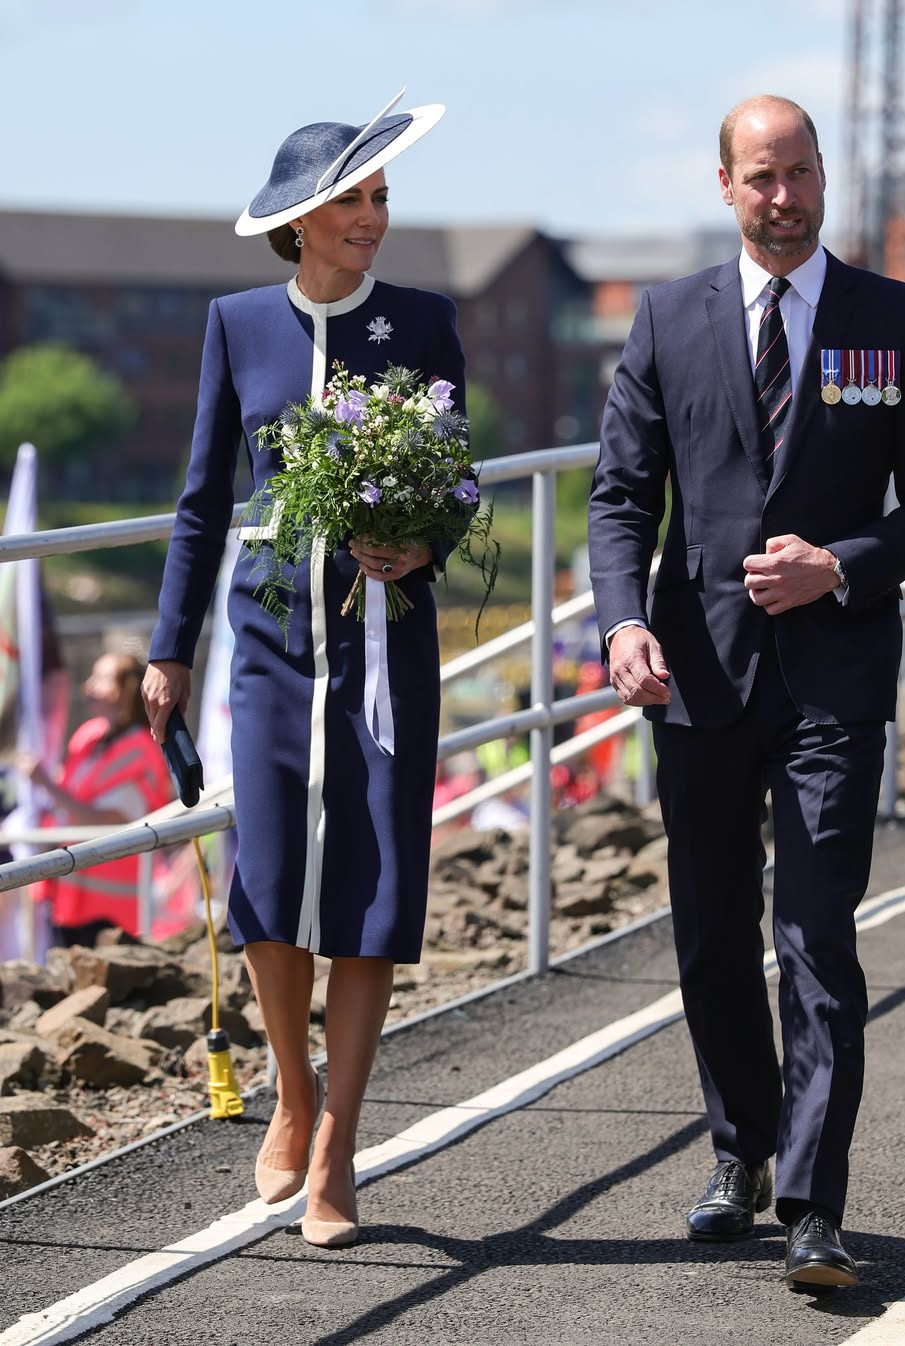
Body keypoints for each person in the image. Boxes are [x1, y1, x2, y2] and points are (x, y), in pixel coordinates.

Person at [587, 95, 905, 1291]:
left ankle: (814, 1204)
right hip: (697, 680)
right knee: (710, 937)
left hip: (833, 683)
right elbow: (619, 497)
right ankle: (739, 1153)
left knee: (815, 937)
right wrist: (621, 622)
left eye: (801, 172)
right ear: (725, 185)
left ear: (825, 175)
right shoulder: (666, 319)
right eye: (762, 177)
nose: (786, 196)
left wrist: (841, 566)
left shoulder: (893, 320)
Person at [141, 95, 463, 1250]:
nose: (376, 216)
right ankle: (292, 1089)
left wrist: (424, 541)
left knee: (373, 884)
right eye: (357, 199)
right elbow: (201, 500)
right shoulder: (237, 322)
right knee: (269, 874)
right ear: (303, 219)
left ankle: (340, 1145)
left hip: (389, 633)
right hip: (269, 638)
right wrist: (170, 649)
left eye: (383, 196)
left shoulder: (424, 321)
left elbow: (460, 484)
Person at [21, 651, 171, 947]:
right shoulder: (88, 736)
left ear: (125, 689)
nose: (88, 687)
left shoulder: (141, 750)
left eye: (100, 679)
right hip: (68, 899)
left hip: (111, 913)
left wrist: (44, 784)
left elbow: (108, 822)